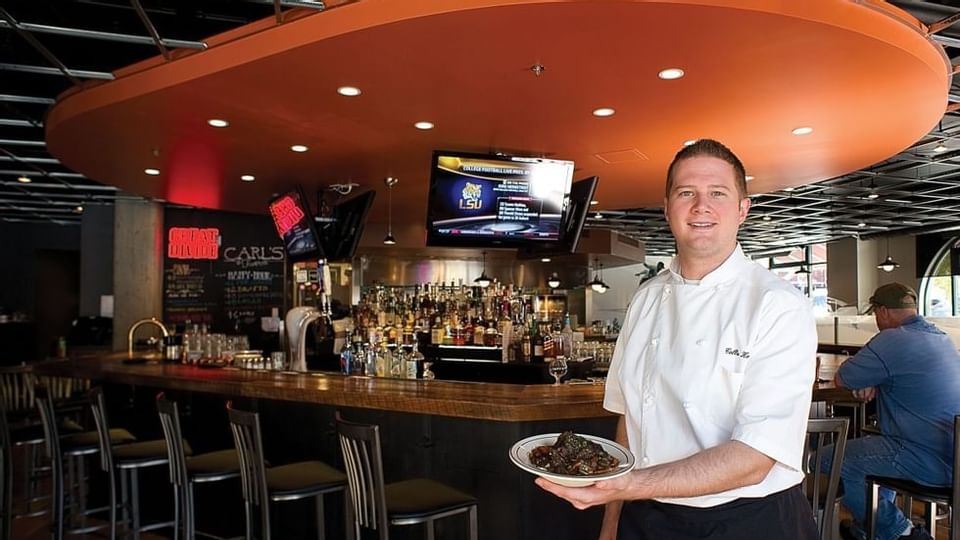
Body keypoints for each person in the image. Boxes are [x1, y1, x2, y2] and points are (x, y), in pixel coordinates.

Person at [536, 139, 819, 540]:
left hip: (747, 520)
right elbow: (630, 419)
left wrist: (628, 486)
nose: (701, 206)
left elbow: (756, 457)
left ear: (742, 209)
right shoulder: (647, 297)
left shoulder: (778, 305)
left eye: (717, 193)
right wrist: (612, 522)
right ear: (667, 208)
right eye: (687, 193)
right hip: (646, 516)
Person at [824, 282, 960, 540]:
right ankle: (868, 530)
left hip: (925, 457)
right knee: (871, 456)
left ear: (883, 311)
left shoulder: (892, 339)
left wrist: (871, 377)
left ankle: (900, 532)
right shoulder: (941, 339)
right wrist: (876, 377)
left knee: (827, 458)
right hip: (954, 457)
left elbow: (844, 377)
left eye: (875, 313)